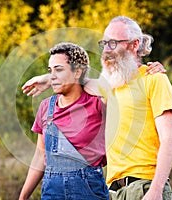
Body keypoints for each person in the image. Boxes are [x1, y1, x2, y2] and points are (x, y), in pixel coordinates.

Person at [22, 16, 172, 200]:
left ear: (135, 45)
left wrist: (156, 190)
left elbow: (169, 138)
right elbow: (78, 81)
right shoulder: (109, 86)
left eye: (113, 43)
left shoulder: (154, 79)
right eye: (104, 43)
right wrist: (50, 79)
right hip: (113, 190)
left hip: (144, 186)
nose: (105, 51)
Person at [19, 42, 109, 200]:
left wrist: (79, 81)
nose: (52, 76)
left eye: (58, 69)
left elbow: (109, 89)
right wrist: (23, 197)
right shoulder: (46, 107)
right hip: (52, 190)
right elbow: (40, 156)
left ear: (78, 71)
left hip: (89, 190)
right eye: (50, 71)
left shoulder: (97, 103)